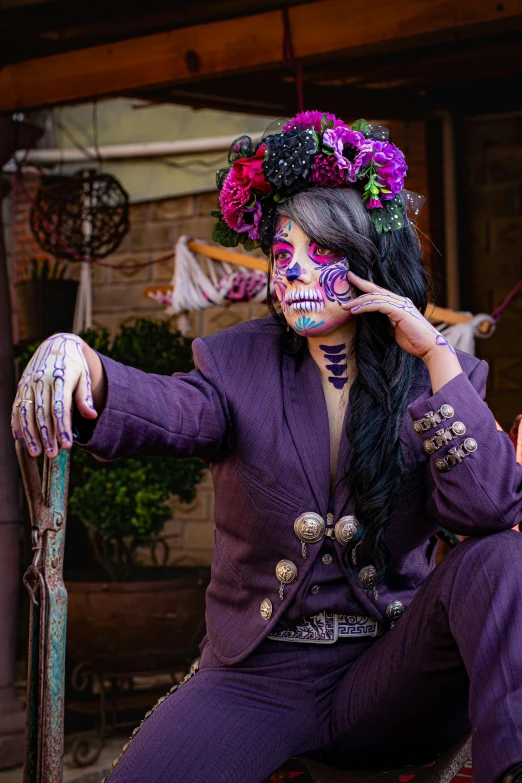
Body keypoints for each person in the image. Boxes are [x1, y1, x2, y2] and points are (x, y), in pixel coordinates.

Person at [11, 112, 522, 783]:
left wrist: (432, 350)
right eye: (283, 256)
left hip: (391, 672)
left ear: (369, 261)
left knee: (504, 556)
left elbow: (488, 512)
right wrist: (84, 362)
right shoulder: (235, 362)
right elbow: (170, 408)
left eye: (323, 253)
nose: (297, 275)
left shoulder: (439, 375)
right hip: (259, 677)